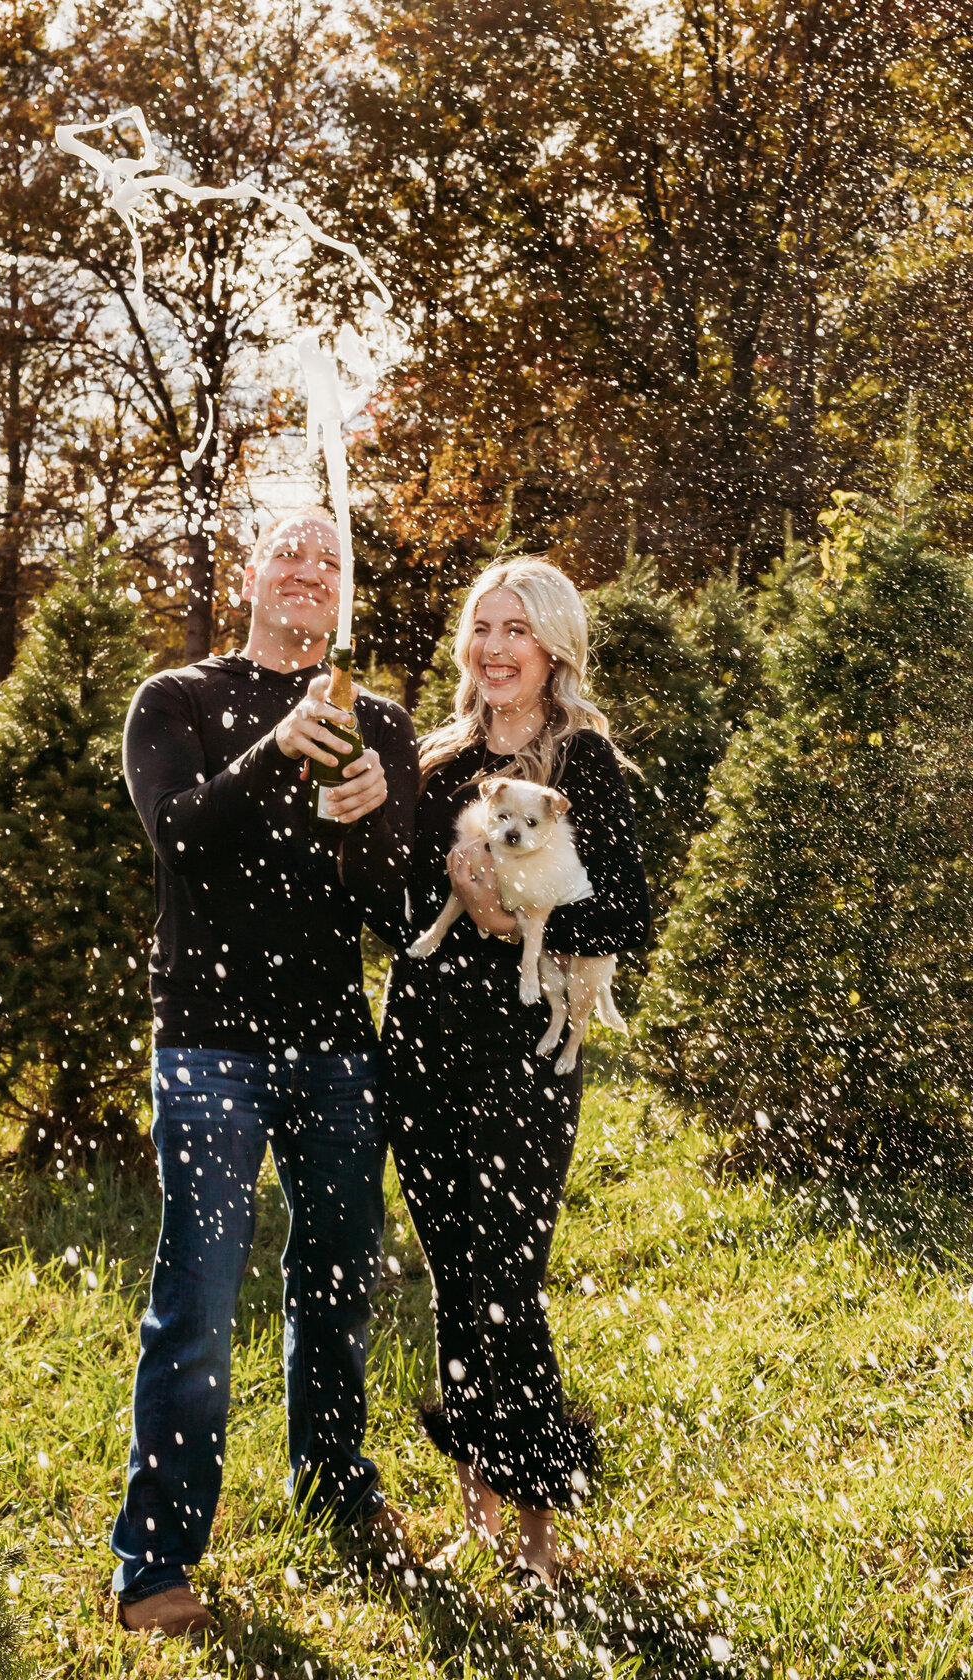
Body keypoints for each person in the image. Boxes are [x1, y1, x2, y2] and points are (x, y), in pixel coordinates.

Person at [111, 509, 418, 1639]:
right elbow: (182, 834)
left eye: (329, 558)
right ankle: (156, 1559)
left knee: (337, 1283)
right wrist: (274, 747)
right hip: (209, 1048)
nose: (307, 568)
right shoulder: (178, 700)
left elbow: (383, 906)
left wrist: (377, 817)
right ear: (249, 574)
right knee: (196, 1295)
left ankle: (335, 1489)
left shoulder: (378, 721)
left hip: (336, 1049)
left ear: (343, 594)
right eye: (287, 551)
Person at [381, 556, 649, 1590]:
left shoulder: (584, 765)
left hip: (523, 1056)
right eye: (481, 629)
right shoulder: (441, 761)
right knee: (455, 1277)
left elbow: (626, 913)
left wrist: (505, 918)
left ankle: (537, 1529)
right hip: (424, 1051)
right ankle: (478, 1513)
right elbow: (400, 918)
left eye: (516, 631)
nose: (495, 649)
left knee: (510, 1278)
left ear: (555, 648)